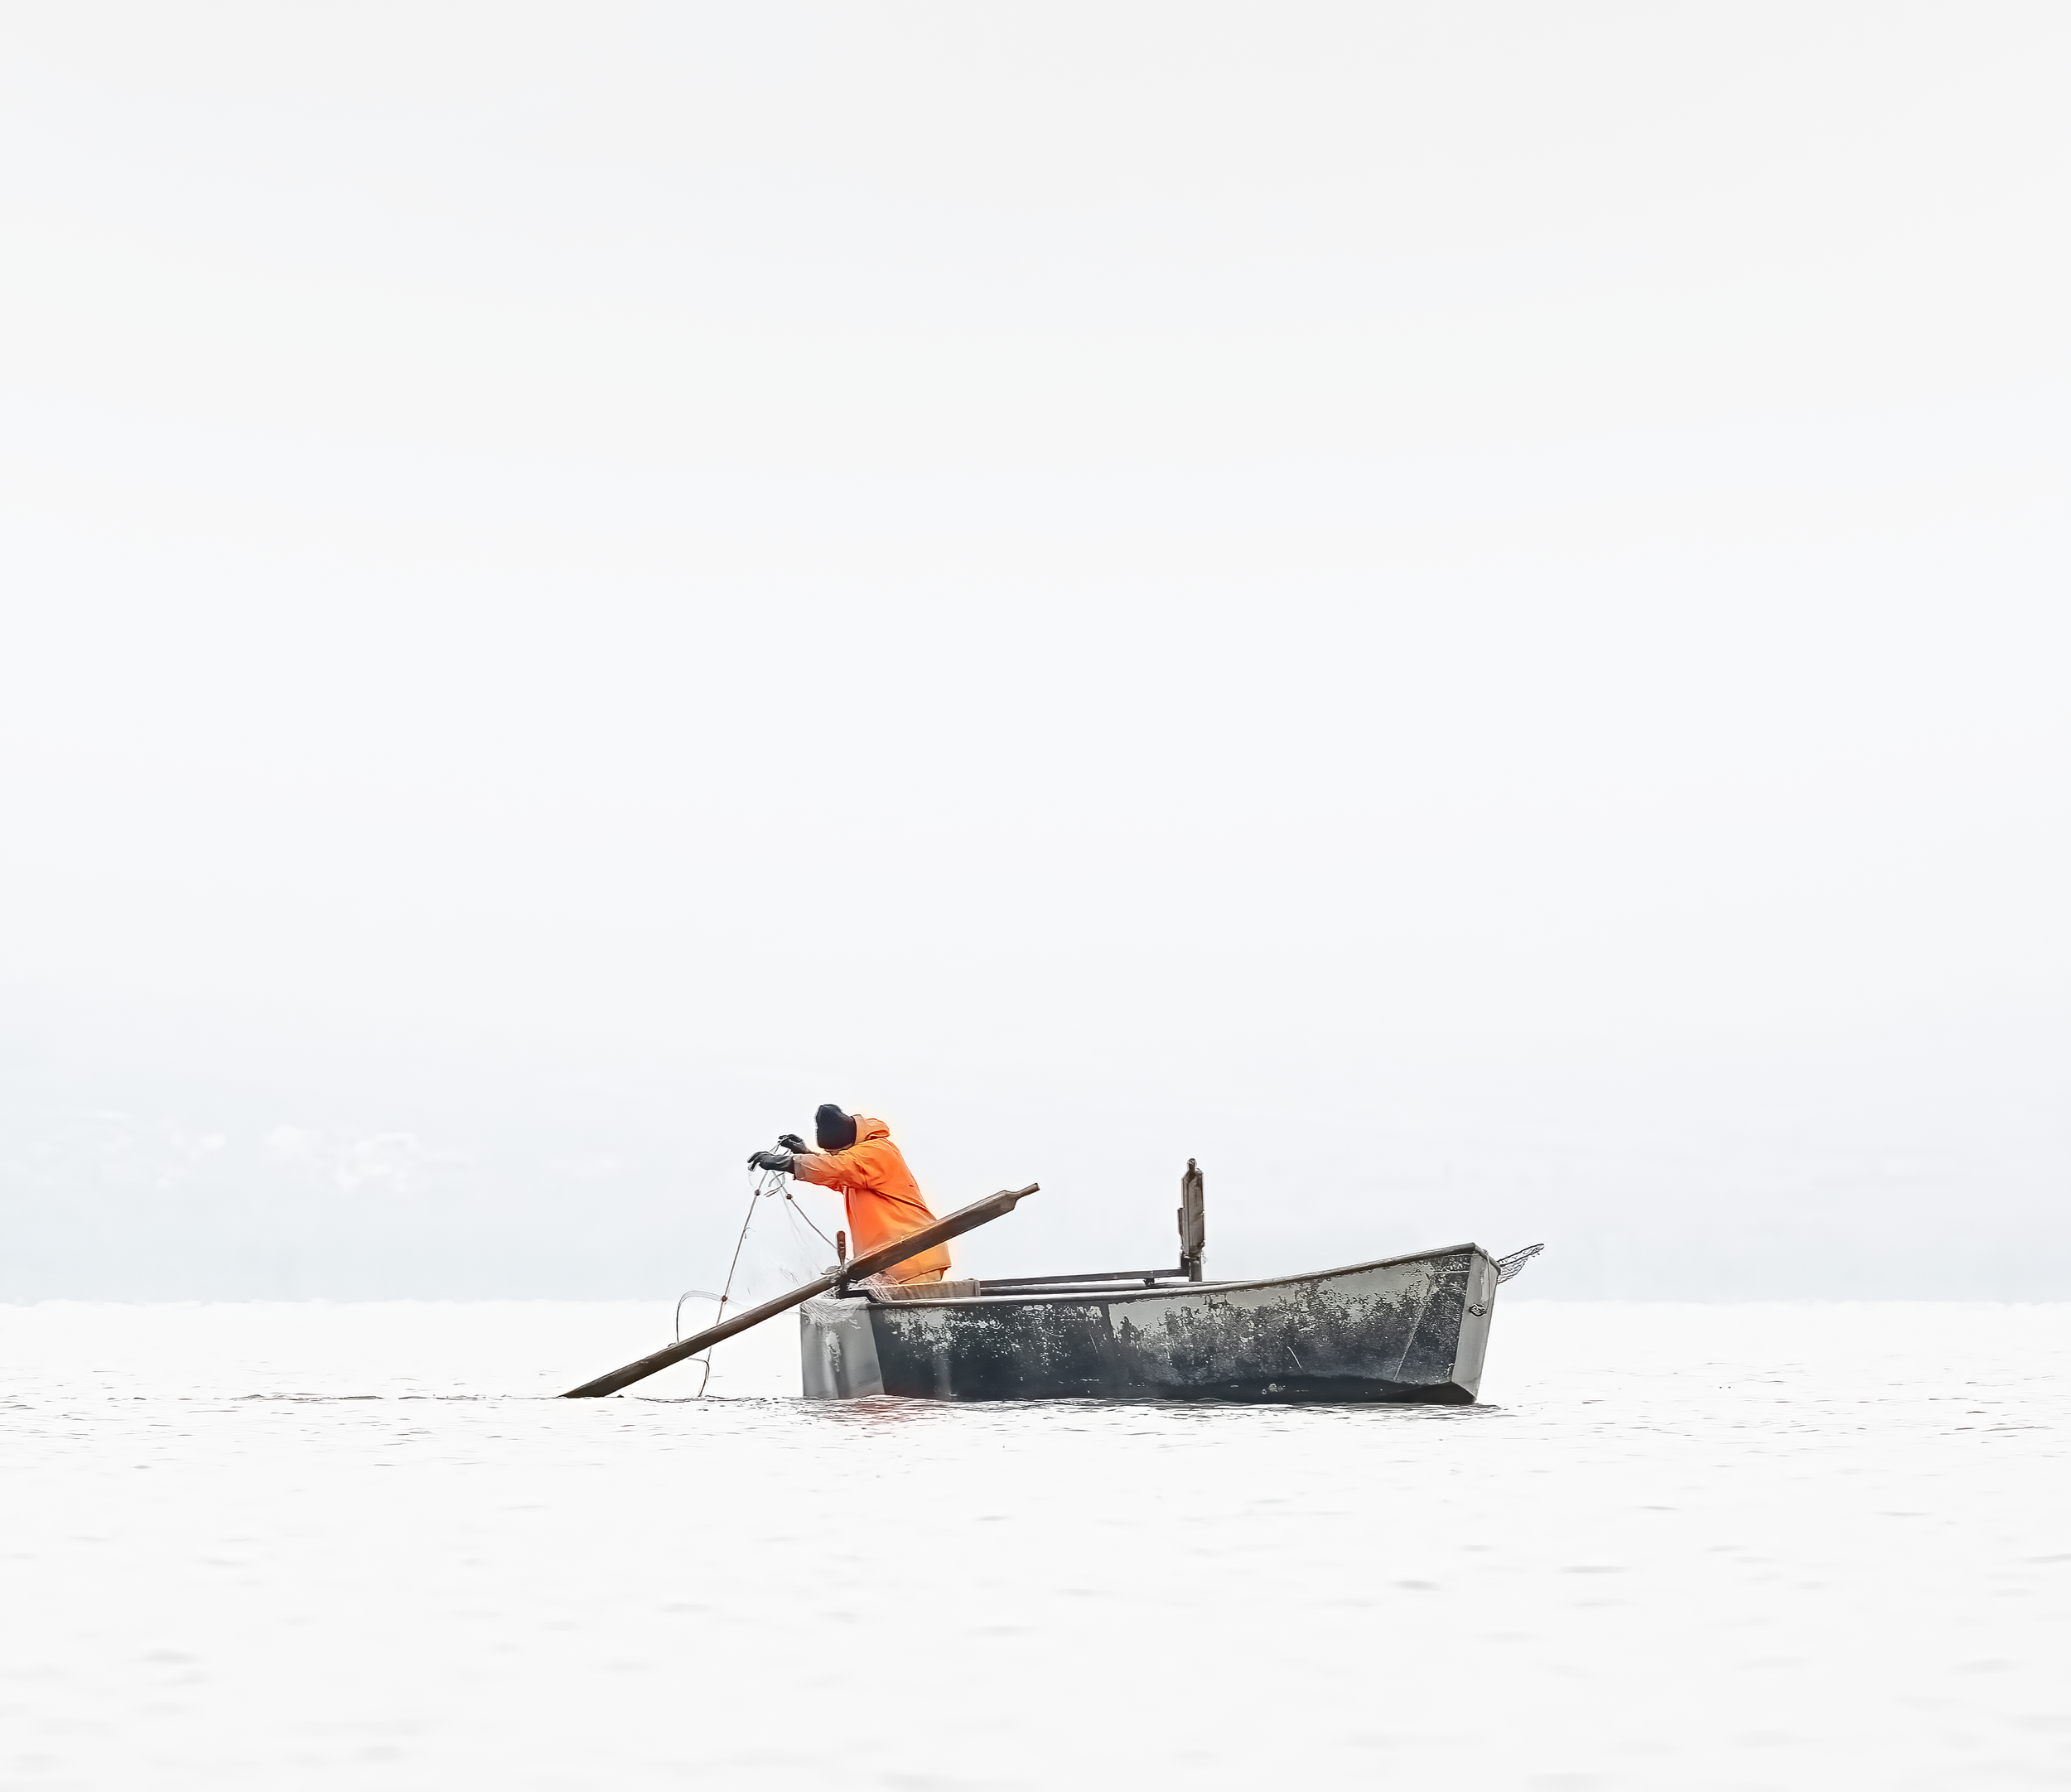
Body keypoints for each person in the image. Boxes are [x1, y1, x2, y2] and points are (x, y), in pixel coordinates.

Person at [747, 1104, 951, 1286]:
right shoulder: (863, 1160)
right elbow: (840, 1175)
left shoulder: (876, 1151)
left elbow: (837, 1168)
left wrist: (788, 1163)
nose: (833, 1156)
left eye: (835, 1152)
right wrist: (807, 1154)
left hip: (912, 1259)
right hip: (896, 1263)